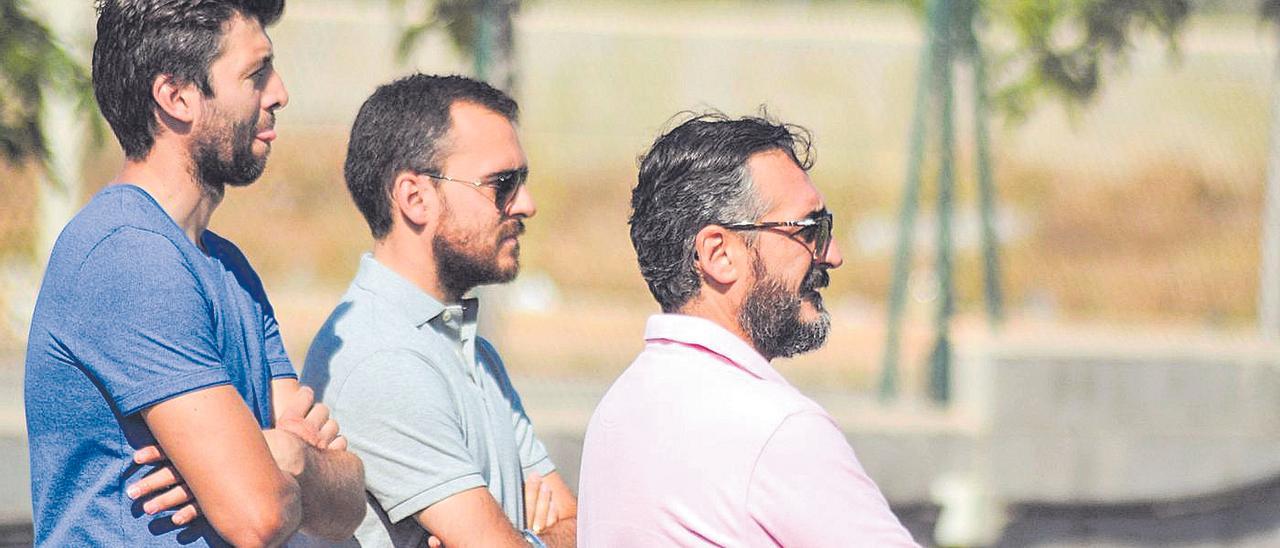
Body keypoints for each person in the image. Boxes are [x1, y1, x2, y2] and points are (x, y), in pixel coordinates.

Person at [24, 1, 366, 545]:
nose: (279, 94)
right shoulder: (129, 256)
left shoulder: (228, 268)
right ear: (176, 97)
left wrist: (288, 455)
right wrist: (262, 463)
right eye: (256, 74)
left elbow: (347, 508)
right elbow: (259, 516)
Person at [576, 112, 919, 546]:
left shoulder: (620, 408)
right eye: (810, 229)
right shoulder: (779, 430)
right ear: (719, 254)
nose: (833, 254)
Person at [302, 74, 576, 548]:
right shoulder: (384, 360)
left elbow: (578, 521)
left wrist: (530, 537)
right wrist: (540, 535)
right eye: (502, 184)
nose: (526, 205)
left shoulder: (470, 349)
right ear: (415, 198)